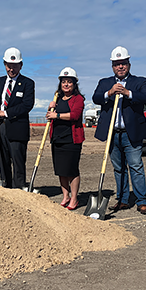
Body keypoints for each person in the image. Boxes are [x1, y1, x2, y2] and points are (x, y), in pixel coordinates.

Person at [93, 46, 146, 215]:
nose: (120, 67)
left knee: (136, 166)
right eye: (117, 64)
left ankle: (141, 201)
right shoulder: (104, 83)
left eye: (123, 63)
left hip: (131, 133)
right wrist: (109, 93)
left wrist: (127, 93)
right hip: (112, 133)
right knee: (118, 169)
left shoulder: (140, 81)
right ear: (112, 66)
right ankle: (123, 200)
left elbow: (145, 97)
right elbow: (96, 98)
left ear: (129, 64)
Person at [0, 47, 35, 189]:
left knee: (18, 161)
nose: (11, 69)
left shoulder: (27, 83)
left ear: (21, 65)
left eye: (14, 66)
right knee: (3, 160)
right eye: (9, 66)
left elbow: (27, 105)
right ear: (4, 64)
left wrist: (5, 113)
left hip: (17, 128)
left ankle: (19, 188)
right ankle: (6, 188)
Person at [46, 67, 85, 210]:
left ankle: (74, 198)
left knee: (71, 169)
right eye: (64, 82)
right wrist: (50, 109)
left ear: (74, 84)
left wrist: (56, 115)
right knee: (61, 170)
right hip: (57, 139)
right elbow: (50, 117)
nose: (66, 84)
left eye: (69, 82)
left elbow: (74, 115)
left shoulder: (78, 99)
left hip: (72, 139)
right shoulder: (57, 99)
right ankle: (65, 196)